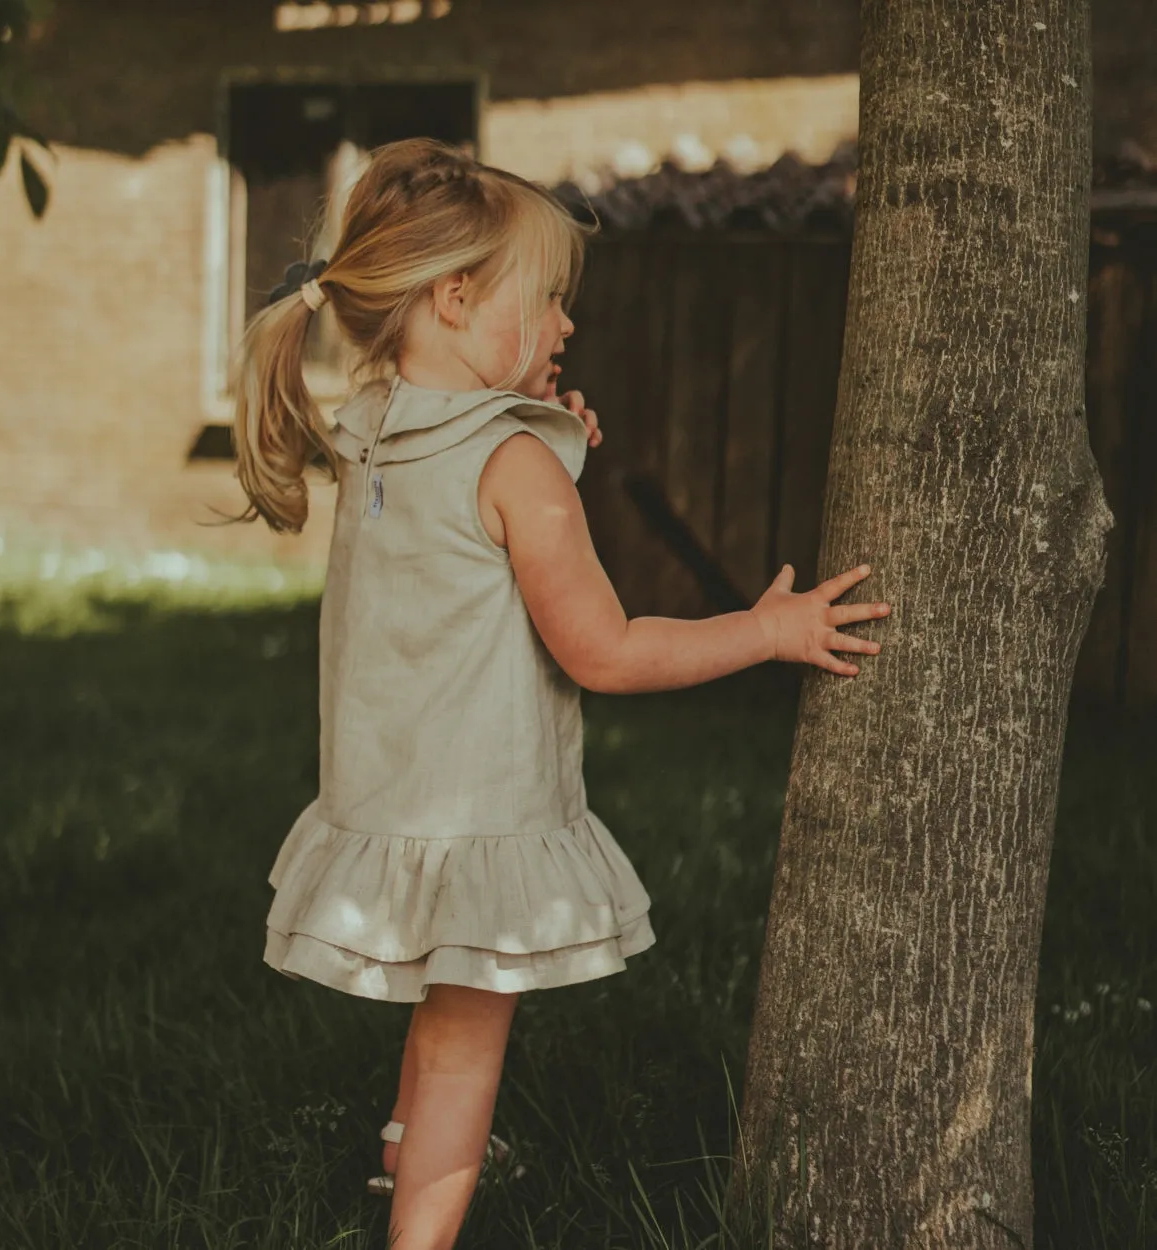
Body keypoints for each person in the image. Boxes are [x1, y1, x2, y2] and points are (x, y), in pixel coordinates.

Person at [232, 137, 891, 1250]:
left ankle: (406, 1153)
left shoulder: (377, 432)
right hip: (478, 810)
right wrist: (766, 628)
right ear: (453, 299)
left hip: (388, 794)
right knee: (464, 1034)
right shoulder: (511, 464)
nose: (565, 327)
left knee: (444, 1000)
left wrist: (547, 449)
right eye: (547, 300)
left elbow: (463, 546)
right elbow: (608, 648)